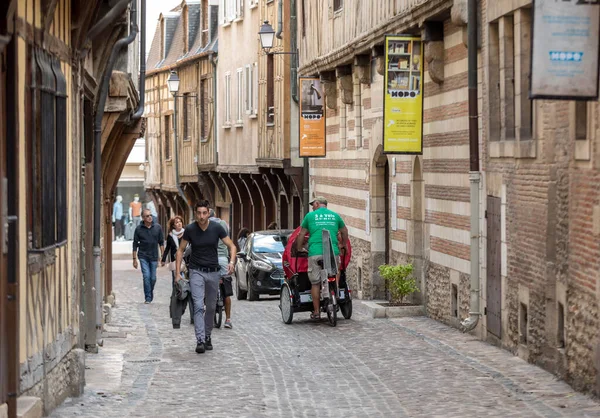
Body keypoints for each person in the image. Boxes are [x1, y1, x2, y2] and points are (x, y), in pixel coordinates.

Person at [175, 201, 237, 354]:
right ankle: (200, 340)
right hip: (196, 271)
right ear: (195, 214)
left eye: (204, 213)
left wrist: (231, 262)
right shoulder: (190, 229)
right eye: (199, 213)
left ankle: (208, 335)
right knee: (197, 305)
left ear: (208, 213)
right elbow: (180, 250)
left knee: (211, 307)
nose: (202, 216)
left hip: (213, 272)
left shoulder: (217, 228)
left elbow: (232, 246)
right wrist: (177, 273)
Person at [296, 196, 348, 320]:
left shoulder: (309, 216)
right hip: (333, 251)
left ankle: (316, 312)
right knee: (336, 270)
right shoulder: (335, 215)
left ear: (318, 203)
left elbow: (302, 234)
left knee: (315, 282)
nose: (312, 208)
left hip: (315, 252)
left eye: (313, 205)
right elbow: (344, 231)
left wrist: (299, 248)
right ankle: (335, 291)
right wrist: (343, 244)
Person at [161, 216, 193, 328]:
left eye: (180, 222)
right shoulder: (170, 236)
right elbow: (167, 249)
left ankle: (192, 314)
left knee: (190, 286)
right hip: (176, 263)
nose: (179, 224)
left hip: (188, 263)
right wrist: (163, 259)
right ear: (173, 225)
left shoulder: (187, 234)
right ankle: (175, 310)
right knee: (177, 286)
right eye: (176, 222)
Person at [133, 209, 165, 304]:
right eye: (147, 216)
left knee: (153, 278)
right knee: (146, 276)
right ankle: (148, 297)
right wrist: (134, 259)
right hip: (143, 256)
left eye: (150, 215)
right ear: (143, 218)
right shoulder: (138, 229)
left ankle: (150, 292)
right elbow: (135, 244)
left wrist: (163, 256)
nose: (150, 217)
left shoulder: (157, 227)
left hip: (154, 256)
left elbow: (161, 242)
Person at [209, 209, 234, 329]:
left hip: (210, 259)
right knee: (227, 291)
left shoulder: (205, 225)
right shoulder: (223, 224)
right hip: (224, 259)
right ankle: (228, 319)